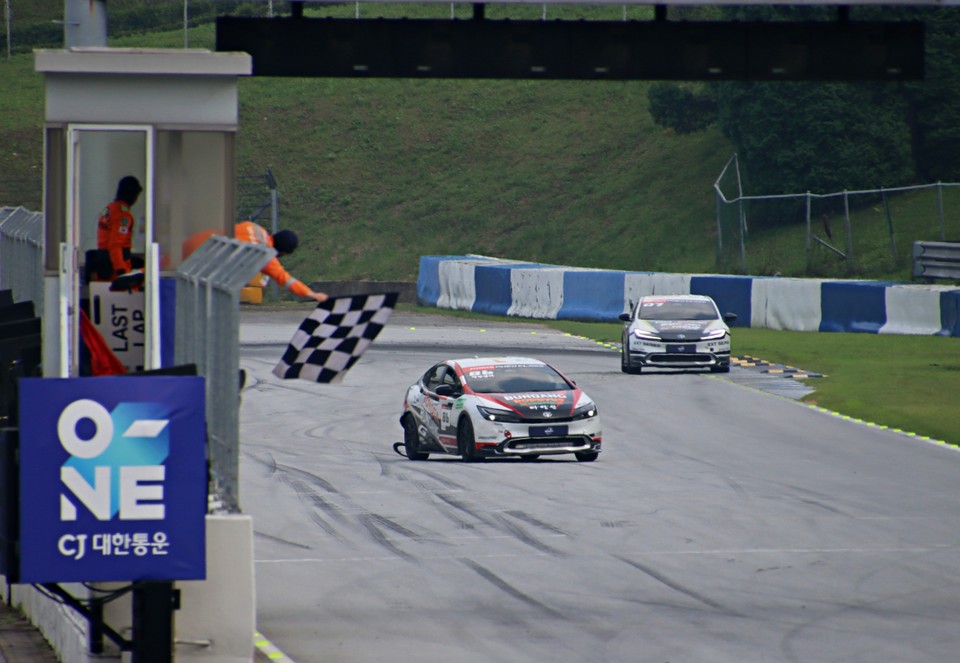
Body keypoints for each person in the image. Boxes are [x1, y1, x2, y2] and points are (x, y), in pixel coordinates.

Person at [234, 220, 328, 303]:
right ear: (282, 252)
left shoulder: (254, 227)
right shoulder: (267, 257)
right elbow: (287, 280)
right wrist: (313, 294)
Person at [95, 175, 144, 281]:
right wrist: (121, 270)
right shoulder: (123, 215)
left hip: (103, 262)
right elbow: (115, 245)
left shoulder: (109, 209)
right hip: (116, 265)